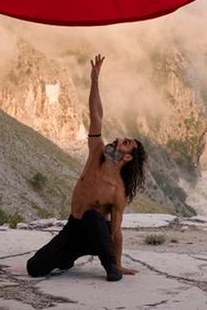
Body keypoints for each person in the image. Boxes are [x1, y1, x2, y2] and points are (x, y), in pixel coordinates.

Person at [26, 54, 147, 281]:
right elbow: (96, 115)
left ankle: (109, 267)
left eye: (127, 143)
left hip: (96, 236)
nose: (121, 139)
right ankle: (66, 258)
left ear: (128, 158)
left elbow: (116, 232)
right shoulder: (96, 152)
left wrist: (117, 264)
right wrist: (94, 79)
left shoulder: (117, 192)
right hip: (73, 228)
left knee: (94, 217)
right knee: (34, 268)